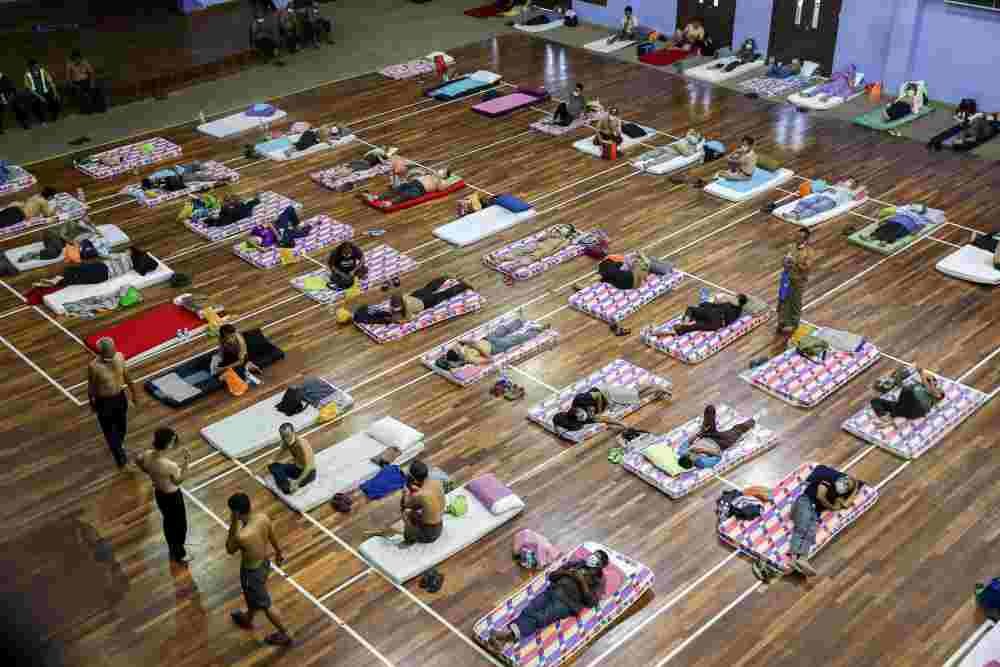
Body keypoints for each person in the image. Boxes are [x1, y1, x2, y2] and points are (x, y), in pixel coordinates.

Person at [486, 550, 609, 652]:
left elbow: (591, 602)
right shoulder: (577, 564)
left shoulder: (599, 581)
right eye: (594, 554)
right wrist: (567, 573)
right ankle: (504, 639)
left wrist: (582, 582)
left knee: (540, 617)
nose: (592, 557)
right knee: (529, 610)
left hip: (566, 604)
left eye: (597, 557)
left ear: (600, 565)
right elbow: (552, 576)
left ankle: (505, 637)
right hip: (552, 591)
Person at [226, 493, 293, 646]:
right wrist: (278, 552)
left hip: (251, 574)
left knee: (266, 605)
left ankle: (285, 633)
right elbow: (271, 535)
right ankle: (248, 619)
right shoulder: (262, 518)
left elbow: (229, 549)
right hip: (264, 564)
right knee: (252, 596)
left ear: (236, 512)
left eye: (232, 511)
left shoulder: (242, 535)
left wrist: (233, 523)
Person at [789, 466, 861, 576]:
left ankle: (802, 559)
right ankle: (793, 559)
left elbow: (845, 504)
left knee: (811, 531)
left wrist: (855, 488)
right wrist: (832, 506)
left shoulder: (839, 495)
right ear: (844, 477)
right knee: (803, 526)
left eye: (847, 486)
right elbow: (820, 495)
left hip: (815, 511)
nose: (845, 484)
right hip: (805, 502)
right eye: (846, 481)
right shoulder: (830, 478)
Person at [135, 428, 190, 564]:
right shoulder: (169, 465)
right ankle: (179, 554)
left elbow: (138, 460)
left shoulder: (147, 455)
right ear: (167, 444)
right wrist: (186, 462)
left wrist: (151, 474)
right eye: (172, 441)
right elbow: (179, 480)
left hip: (159, 494)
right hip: (173, 497)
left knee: (168, 522)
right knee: (180, 526)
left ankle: (172, 547)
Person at [367, 460, 445, 546]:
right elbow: (428, 497)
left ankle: (409, 536)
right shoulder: (436, 481)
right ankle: (410, 530)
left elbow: (405, 504)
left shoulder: (420, 495)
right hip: (439, 525)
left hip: (429, 534)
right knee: (416, 511)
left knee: (406, 513)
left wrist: (405, 491)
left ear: (414, 479)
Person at [87, 338, 137, 471]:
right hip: (104, 402)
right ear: (101, 353)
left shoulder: (120, 357)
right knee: (110, 432)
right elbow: (91, 386)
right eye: (108, 352)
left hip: (120, 397)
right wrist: (91, 402)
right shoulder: (94, 367)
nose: (112, 353)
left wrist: (134, 393)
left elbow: (126, 375)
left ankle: (116, 446)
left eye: (112, 350)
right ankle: (122, 460)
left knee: (122, 427)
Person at [552, 380, 669, 432]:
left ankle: (656, 387)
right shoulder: (584, 419)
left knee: (635, 397)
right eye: (582, 418)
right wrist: (622, 424)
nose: (584, 416)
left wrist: (601, 408)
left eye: (581, 414)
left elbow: (597, 395)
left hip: (607, 393)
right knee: (632, 395)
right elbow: (604, 419)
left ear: (574, 410)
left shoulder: (580, 400)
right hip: (608, 401)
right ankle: (652, 387)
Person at [353, 276, 473, 324]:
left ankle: (463, 286)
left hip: (425, 302)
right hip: (417, 296)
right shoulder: (398, 298)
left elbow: (411, 318)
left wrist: (401, 321)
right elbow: (396, 310)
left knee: (444, 294)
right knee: (429, 288)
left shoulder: (404, 305)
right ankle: (444, 278)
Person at [438, 320, 550, 368]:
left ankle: (521, 321)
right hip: (495, 346)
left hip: (488, 338)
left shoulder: (456, 350)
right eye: (458, 351)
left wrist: (467, 343)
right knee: (518, 338)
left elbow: (459, 342)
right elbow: (490, 360)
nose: (458, 349)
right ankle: (538, 330)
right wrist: (478, 348)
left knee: (504, 328)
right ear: (459, 357)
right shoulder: (470, 359)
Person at [34, 247, 159, 289]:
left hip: (101, 268)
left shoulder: (124, 256)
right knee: (76, 279)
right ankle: (57, 281)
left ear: (132, 253)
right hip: (102, 277)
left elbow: (105, 255)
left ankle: (56, 279)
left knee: (74, 269)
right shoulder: (132, 266)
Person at [677, 405, 756, 470]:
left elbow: (688, 441)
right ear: (694, 463)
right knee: (740, 429)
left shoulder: (682, 452)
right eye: (692, 457)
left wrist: (699, 433)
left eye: (688, 454)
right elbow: (719, 456)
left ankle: (708, 422)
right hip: (722, 444)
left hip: (707, 435)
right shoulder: (703, 464)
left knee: (710, 409)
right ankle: (754, 418)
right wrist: (705, 451)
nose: (691, 455)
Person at [646, 293, 749, 338]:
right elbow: (715, 304)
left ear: (739, 302)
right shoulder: (730, 303)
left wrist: (724, 300)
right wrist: (705, 304)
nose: (733, 297)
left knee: (694, 324)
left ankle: (660, 331)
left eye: (735, 297)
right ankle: (684, 323)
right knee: (691, 311)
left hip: (716, 320)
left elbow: (725, 317)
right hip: (711, 317)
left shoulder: (737, 311)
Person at [870, 367, 944, 425]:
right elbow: (901, 387)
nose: (939, 389)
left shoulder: (937, 395)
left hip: (918, 408)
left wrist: (923, 374)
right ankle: (887, 420)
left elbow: (931, 389)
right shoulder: (918, 385)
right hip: (905, 408)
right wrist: (897, 379)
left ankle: (891, 418)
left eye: (939, 389)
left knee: (907, 390)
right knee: (875, 401)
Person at [776, 228, 814, 335]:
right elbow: (784, 260)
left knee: (795, 302)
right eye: (796, 236)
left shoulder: (809, 252)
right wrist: (785, 262)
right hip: (786, 277)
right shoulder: (791, 247)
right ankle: (782, 321)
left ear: (805, 239)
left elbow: (807, 267)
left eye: (799, 237)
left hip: (798, 281)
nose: (796, 238)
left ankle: (793, 324)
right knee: (783, 299)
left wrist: (795, 263)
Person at [574, 252, 673, 293]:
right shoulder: (613, 268)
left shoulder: (612, 268)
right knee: (648, 262)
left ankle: (585, 285)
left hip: (627, 280)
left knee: (648, 262)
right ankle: (585, 286)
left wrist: (639, 258)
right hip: (627, 280)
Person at [494, 225, 582, 270]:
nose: (561, 229)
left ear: (567, 232)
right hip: (540, 245)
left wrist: (546, 255)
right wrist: (550, 234)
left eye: (565, 229)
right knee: (521, 251)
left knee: (527, 256)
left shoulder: (565, 241)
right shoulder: (555, 235)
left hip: (544, 249)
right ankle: (501, 259)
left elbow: (556, 250)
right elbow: (540, 238)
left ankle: (511, 265)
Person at [359, 168, 452, 208]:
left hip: (420, 189)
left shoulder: (443, 181)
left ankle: (389, 203)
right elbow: (419, 174)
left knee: (406, 195)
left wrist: (438, 178)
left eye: (443, 171)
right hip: (414, 183)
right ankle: (376, 198)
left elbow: (441, 189)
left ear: (445, 175)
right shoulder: (433, 174)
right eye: (441, 169)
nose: (440, 170)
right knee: (397, 189)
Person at [268, 424, 316, 495]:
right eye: (283, 437)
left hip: (308, 474)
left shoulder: (302, 444)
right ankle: (287, 485)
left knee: (285, 486)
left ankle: (288, 487)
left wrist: (297, 482)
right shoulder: (285, 442)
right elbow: (279, 452)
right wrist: (272, 460)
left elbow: (309, 467)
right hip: (296, 468)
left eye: (288, 436)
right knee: (273, 466)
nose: (286, 439)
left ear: (293, 432)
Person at [24, 59, 60, 124]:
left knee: (55, 100)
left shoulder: (43, 71)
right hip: (35, 94)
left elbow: (51, 83)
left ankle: (54, 117)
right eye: (34, 67)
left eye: (37, 66)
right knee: (34, 104)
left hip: (45, 92)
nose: (36, 68)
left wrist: (55, 93)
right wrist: (40, 97)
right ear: (30, 68)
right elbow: (30, 89)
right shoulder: (27, 75)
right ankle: (42, 120)